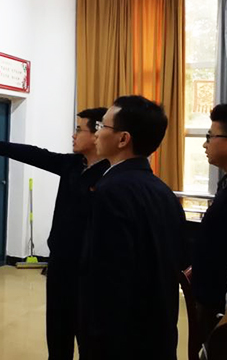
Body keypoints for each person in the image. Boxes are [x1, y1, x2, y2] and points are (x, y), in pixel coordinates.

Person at [0, 107, 109, 360]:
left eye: (79, 129)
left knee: (89, 334)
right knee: (58, 327)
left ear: (97, 135)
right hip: (60, 262)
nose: (73, 135)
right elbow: (35, 155)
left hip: (89, 269)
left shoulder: (110, 175)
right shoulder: (73, 164)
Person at [80, 95, 187, 360]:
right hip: (159, 328)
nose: (97, 133)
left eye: (102, 126)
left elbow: (110, 274)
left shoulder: (111, 191)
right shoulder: (163, 191)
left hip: (122, 337)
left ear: (123, 139)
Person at [192, 102, 227, 344]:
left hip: (223, 312)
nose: (205, 144)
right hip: (210, 301)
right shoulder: (225, 184)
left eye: (210, 136)